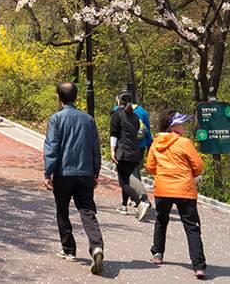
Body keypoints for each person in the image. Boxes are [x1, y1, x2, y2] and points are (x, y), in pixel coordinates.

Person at [42, 82, 104, 275]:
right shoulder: (88, 120)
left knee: (62, 209)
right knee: (87, 211)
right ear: (75, 97)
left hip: (63, 172)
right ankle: (96, 246)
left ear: (59, 98)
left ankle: (69, 249)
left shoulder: (56, 119)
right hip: (85, 172)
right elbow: (95, 149)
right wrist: (95, 172)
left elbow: (52, 147)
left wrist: (48, 172)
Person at [146, 110, 207, 279]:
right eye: (181, 123)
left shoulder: (156, 143)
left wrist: (163, 174)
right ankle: (199, 266)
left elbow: (150, 166)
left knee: (161, 220)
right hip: (184, 189)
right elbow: (199, 166)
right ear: (173, 126)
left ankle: (157, 254)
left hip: (163, 189)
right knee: (191, 227)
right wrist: (190, 174)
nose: (184, 125)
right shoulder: (185, 143)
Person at [110, 93, 151, 220]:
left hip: (123, 152)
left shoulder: (116, 115)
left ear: (119, 101)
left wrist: (112, 151)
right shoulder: (135, 116)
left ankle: (140, 203)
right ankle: (124, 205)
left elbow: (114, 134)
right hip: (135, 153)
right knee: (127, 179)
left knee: (123, 182)